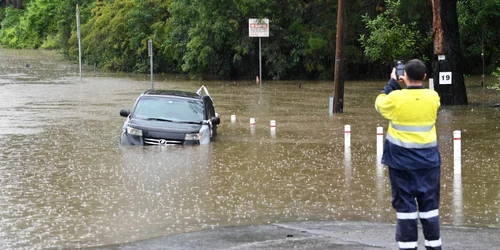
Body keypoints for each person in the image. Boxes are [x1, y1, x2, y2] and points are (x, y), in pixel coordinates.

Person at [374, 59, 442, 250]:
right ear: (425, 77)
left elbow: (379, 103)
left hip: (400, 164)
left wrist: (392, 83)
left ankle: (407, 247)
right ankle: (434, 246)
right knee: (430, 209)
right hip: (429, 163)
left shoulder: (395, 98)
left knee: (405, 209)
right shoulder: (433, 97)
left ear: (404, 76)